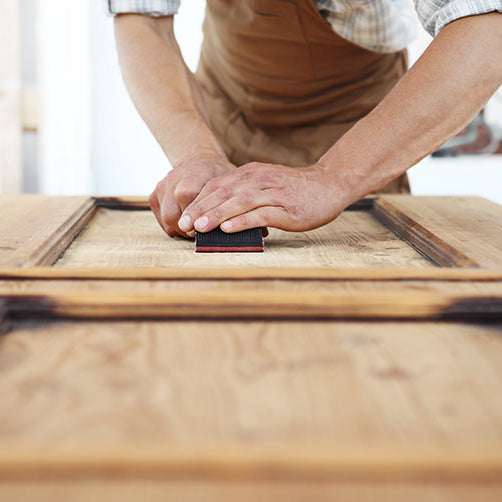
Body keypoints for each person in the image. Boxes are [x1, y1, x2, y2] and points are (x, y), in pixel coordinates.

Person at [110, 0, 502, 238]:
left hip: (355, 120)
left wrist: (332, 178)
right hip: (226, 110)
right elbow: (143, 18)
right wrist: (195, 152)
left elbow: (487, 27)